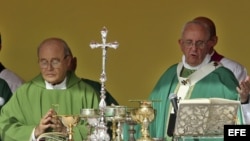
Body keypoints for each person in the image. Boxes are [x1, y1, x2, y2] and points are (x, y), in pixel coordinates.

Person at [145, 20, 248, 141]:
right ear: (181, 44)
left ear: (210, 45)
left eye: (200, 43)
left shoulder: (223, 77)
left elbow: (238, 126)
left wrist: (243, 100)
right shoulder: (169, 76)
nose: (194, 48)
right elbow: (148, 116)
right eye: (189, 42)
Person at [0, 37, 100, 141]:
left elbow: (99, 129)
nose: (49, 68)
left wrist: (67, 131)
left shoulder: (86, 94)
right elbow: (4, 126)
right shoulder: (25, 93)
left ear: (68, 61)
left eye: (55, 61)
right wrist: (35, 131)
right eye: (44, 62)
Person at [192, 16, 250, 124]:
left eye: (201, 40)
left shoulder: (234, 69)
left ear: (213, 41)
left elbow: (244, 118)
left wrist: (244, 100)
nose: (194, 46)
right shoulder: (181, 71)